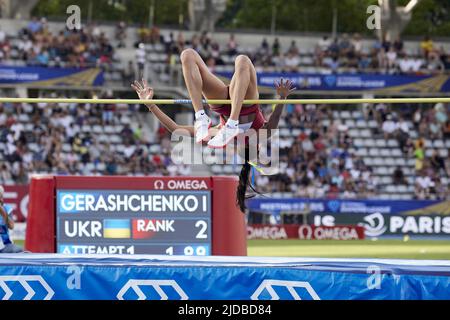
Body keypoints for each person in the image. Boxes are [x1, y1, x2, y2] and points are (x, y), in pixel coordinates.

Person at [132, 53, 295, 211]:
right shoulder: (258, 134)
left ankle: (203, 116)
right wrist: (282, 99)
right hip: (246, 102)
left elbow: (176, 129)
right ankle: (227, 119)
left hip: (223, 103)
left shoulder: (221, 134)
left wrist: (150, 105)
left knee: (188, 56)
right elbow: (273, 122)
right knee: (242, 60)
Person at [0, 185, 23, 253]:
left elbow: (11, 226)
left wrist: (2, 211)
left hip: (5, 245)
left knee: (19, 249)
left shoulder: (7, 208)